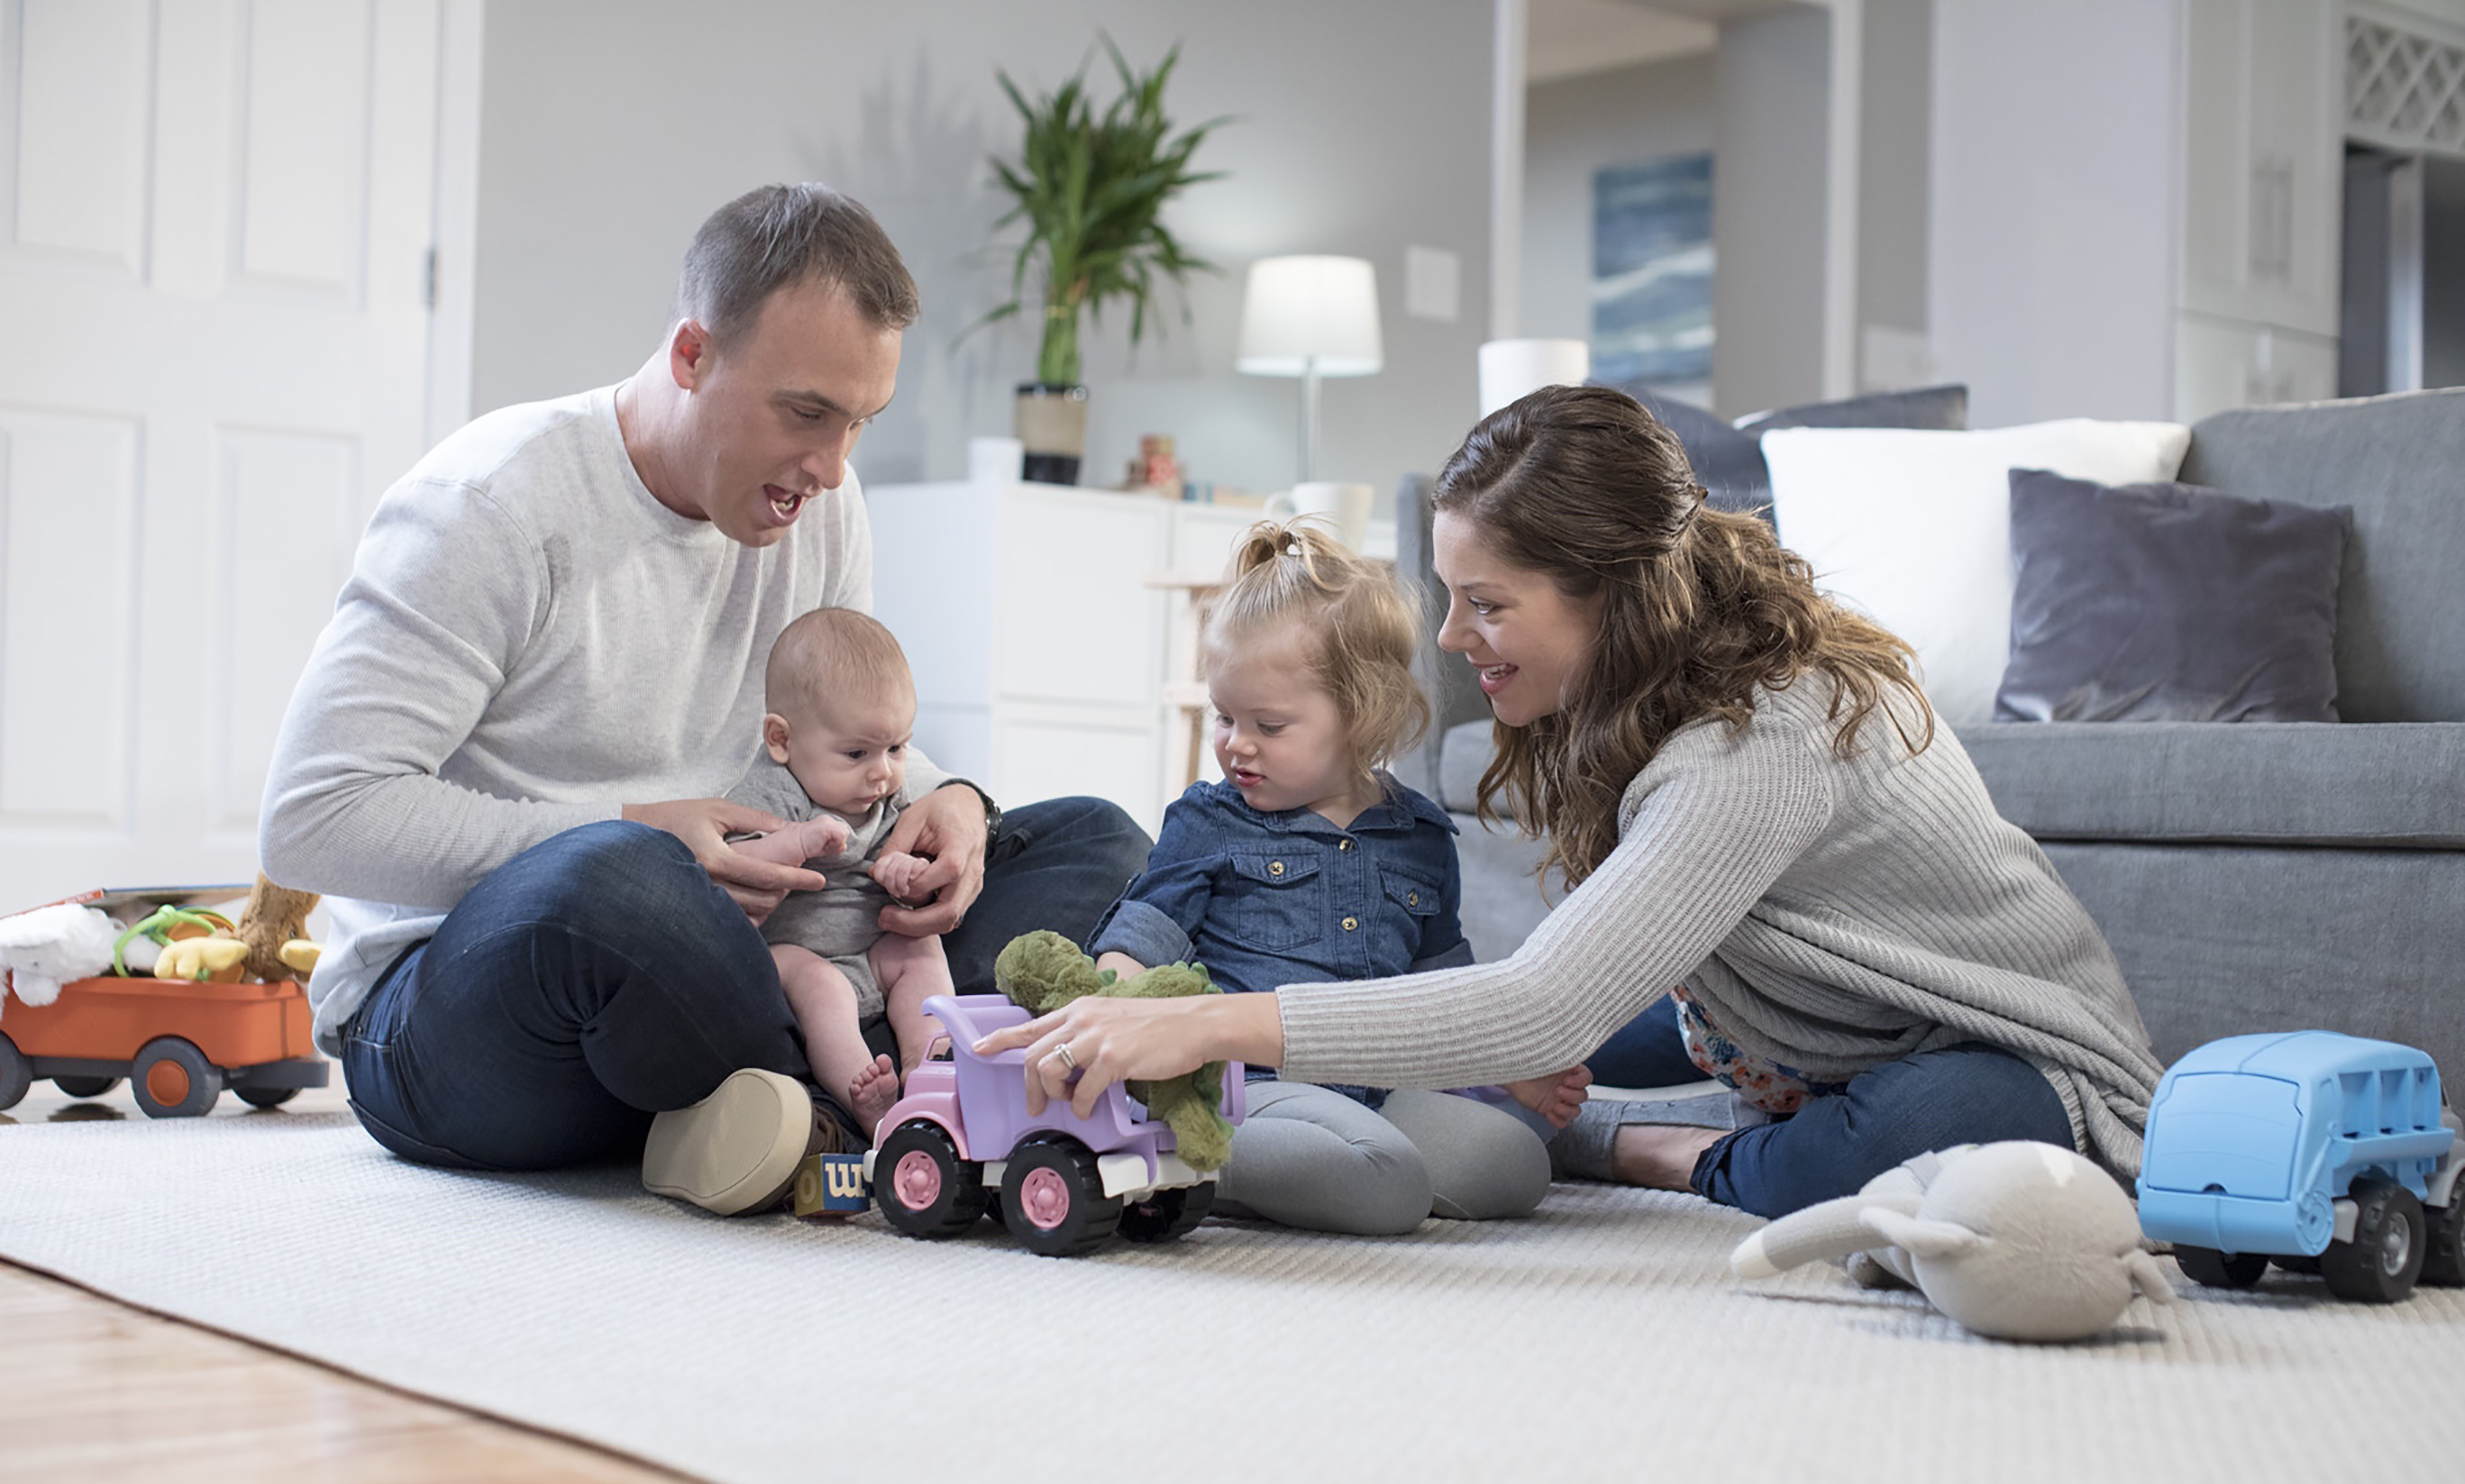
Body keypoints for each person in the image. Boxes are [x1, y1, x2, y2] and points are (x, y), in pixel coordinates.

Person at [979, 385, 2164, 1221]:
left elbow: (1541, 1009)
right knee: (1470, 1024)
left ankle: (1663, 1152)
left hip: (2006, 1066)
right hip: (1792, 1018)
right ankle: (1606, 1120)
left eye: (1486, 603)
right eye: (1451, 597)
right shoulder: (1663, 692)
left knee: (1940, 1131)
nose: (1452, 640)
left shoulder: (1763, 734)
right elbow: (1551, 994)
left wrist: (1204, 1026)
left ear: (1613, 594)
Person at [259, 183, 1150, 1217]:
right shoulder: (490, 506)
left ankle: (827, 1102)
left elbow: (845, 731)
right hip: (460, 1014)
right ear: (692, 356)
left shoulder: (822, 502)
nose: (829, 466)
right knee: (621, 889)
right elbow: (311, 819)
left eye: (860, 423)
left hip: (768, 962)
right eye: (807, 412)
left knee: (1098, 842)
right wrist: (648, 835)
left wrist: (952, 802)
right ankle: (845, 1087)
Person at [1086, 522, 1587, 1236]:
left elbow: (1445, 988)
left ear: (1361, 715)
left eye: (1271, 724)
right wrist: (1114, 998)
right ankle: (1177, 1159)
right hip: (1247, 1089)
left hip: (1375, 1089)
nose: (1237, 744)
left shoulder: (1420, 837)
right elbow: (1141, 940)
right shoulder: (1210, 821)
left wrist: (1516, 1070)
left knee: (1515, 1165)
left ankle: (1323, 1163)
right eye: (1224, 717)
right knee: (1383, 1186)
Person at [724, 606, 953, 1138]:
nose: (883, 771)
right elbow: (736, 864)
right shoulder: (775, 790)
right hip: (794, 959)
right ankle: (863, 1093)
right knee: (821, 985)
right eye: (857, 753)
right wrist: (794, 842)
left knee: (920, 949)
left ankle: (930, 1055)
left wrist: (907, 872)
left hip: (871, 954)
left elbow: (918, 856)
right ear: (782, 740)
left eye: (897, 747)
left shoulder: (889, 794)